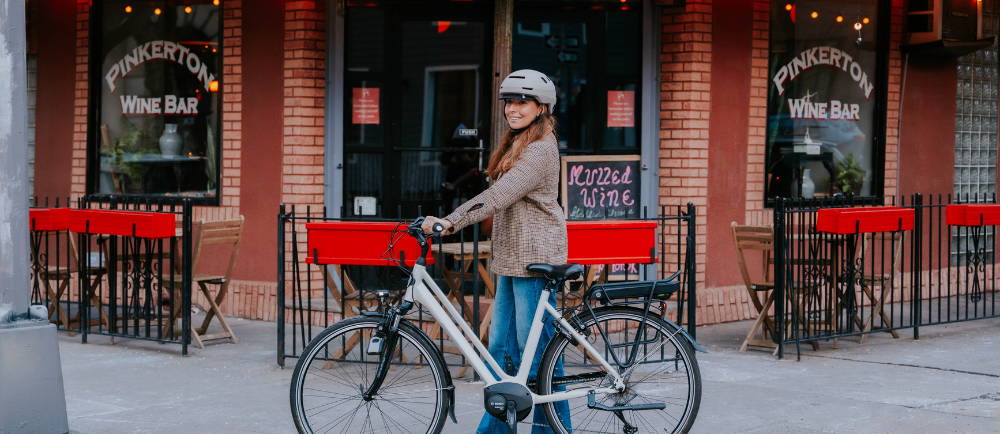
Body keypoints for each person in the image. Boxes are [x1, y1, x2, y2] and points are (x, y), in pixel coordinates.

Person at [421, 69, 572, 433]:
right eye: (509, 102)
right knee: (503, 352)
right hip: (511, 260)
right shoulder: (516, 144)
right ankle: (496, 430)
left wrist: (449, 221)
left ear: (541, 107)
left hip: (536, 262)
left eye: (522, 102)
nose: (513, 109)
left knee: (537, 359)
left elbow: (498, 196)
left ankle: (551, 429)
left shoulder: (539, 150)